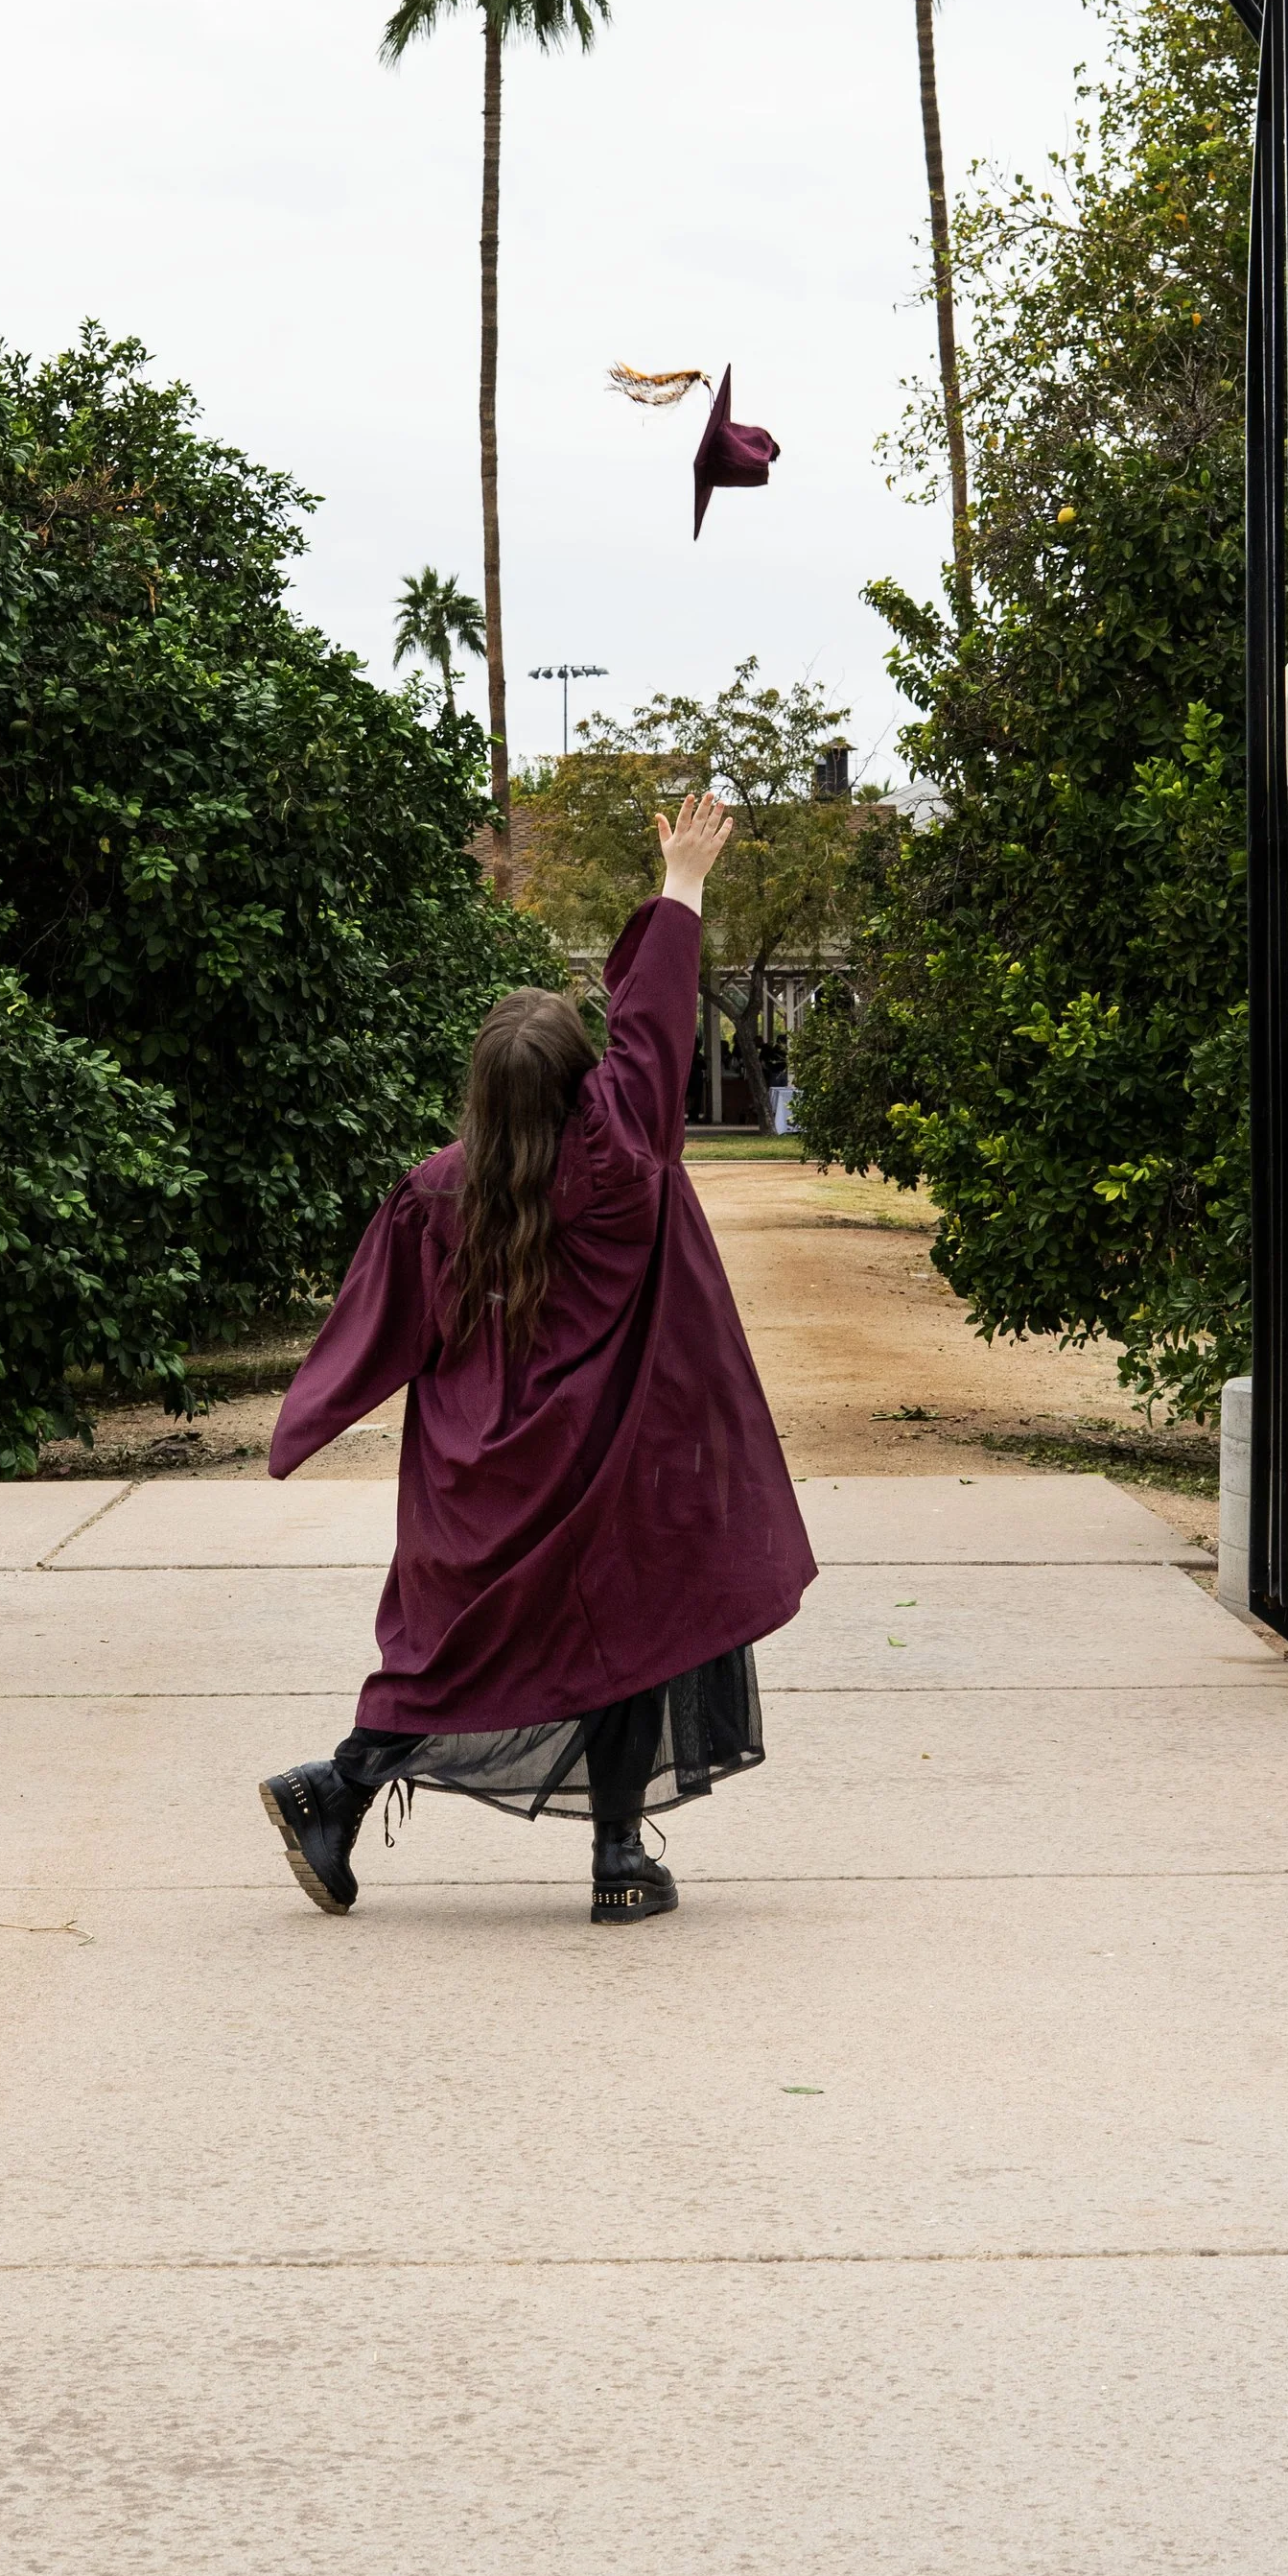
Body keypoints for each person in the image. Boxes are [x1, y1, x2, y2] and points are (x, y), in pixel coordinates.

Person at [259, 791, 816, 1926]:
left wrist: (305, 1417)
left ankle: (348, 1787)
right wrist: (683, 879)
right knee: (629, 1626)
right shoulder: (623, 1154)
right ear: (582, 1083)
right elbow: (656, 1025)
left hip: (491, 1479)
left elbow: (375, 1328)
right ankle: (608, 1858)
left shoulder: (437, 1192)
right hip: (614, 1464)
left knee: (471, 1644)